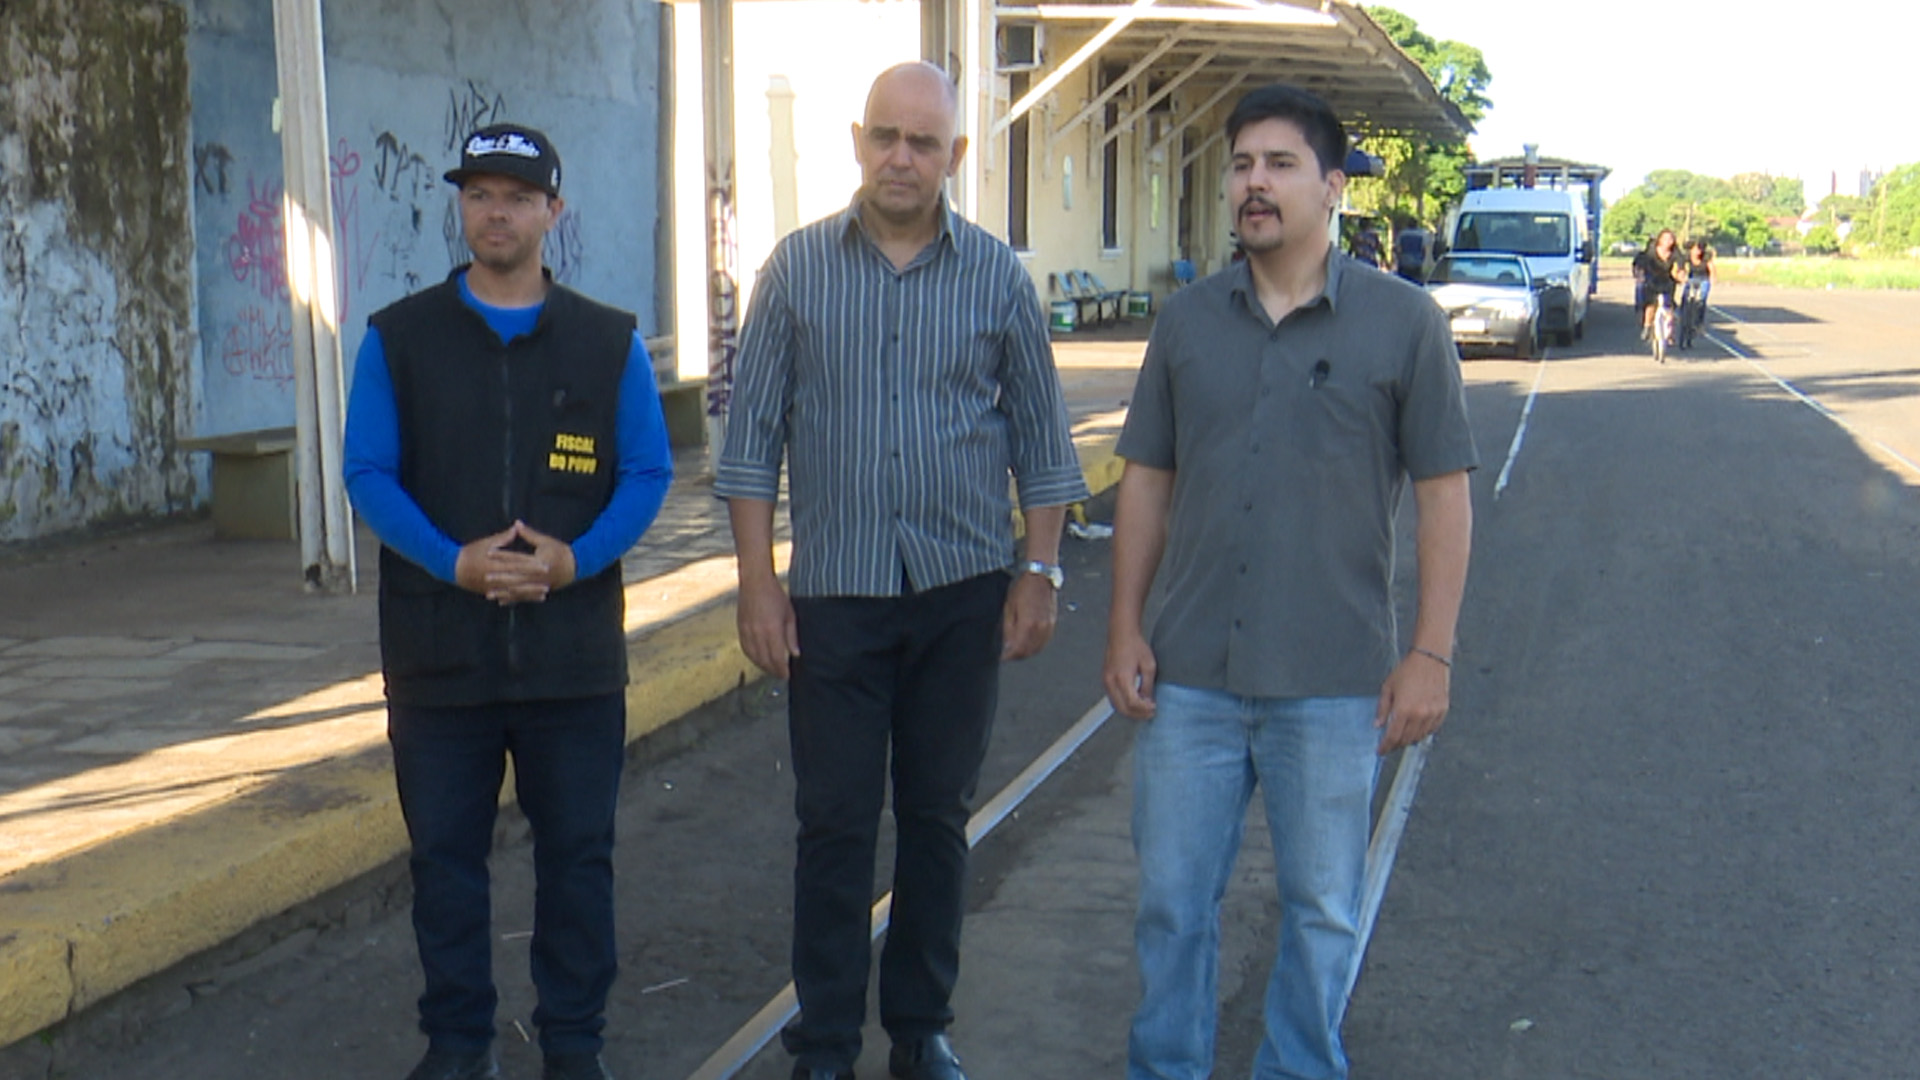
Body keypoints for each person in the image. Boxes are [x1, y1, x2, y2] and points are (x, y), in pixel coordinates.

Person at [715, 61, 1089, 1080]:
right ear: (856, 140)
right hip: (833, 595)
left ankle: (920, 1029)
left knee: (936, 816)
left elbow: (1044, 445)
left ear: (955, 157)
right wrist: (757, 581)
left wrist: (1040, 573)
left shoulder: (999, 279)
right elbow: (750, 445)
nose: (901, 157)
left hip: (960, 594)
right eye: (886, 136)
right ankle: (827, 1039)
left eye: (924, 143)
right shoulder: (794, 272)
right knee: (832, 822)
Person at [1102, 84, 1477, 1080]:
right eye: (1240, 165)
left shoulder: (1404, 326)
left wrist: (1430, 654)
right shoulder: (1186, 324)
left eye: (1279, 164)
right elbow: (1147, 481)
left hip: (1335, 680)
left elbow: (1446, 497)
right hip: (1190, 678)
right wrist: (1124, 626)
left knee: (1321, 913)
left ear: (1334, 186)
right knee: (1173, 904)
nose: (1253, 184)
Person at [343, 122, 675, 1080]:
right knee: (445, 865)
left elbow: (648, 474)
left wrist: (572, 562)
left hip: (571, 660)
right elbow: (368, 474)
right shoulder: (397, 340)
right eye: (481, 193)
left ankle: (573, 1046)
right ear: (462, 206)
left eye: (518, 196)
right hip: (438, 655)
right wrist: (456, 563)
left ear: (552, 213)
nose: (497, 211)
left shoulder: (608, 344)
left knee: (578, 861)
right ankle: (458, 1048)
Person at [1636, 229, 1685, 340]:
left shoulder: (1675, 251)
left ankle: (1669, 329)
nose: (1669, 241)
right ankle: (1647, 326)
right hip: (1652, 277)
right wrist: (1640, 274)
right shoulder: (1652, 251)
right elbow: (1642, 262)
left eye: (1671, 239)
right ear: (1660, 240)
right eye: (1666, 239)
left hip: (1667, 278)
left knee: (1669, 304)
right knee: (1651, 303)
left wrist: (1681, 272)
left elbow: (1680, 262)